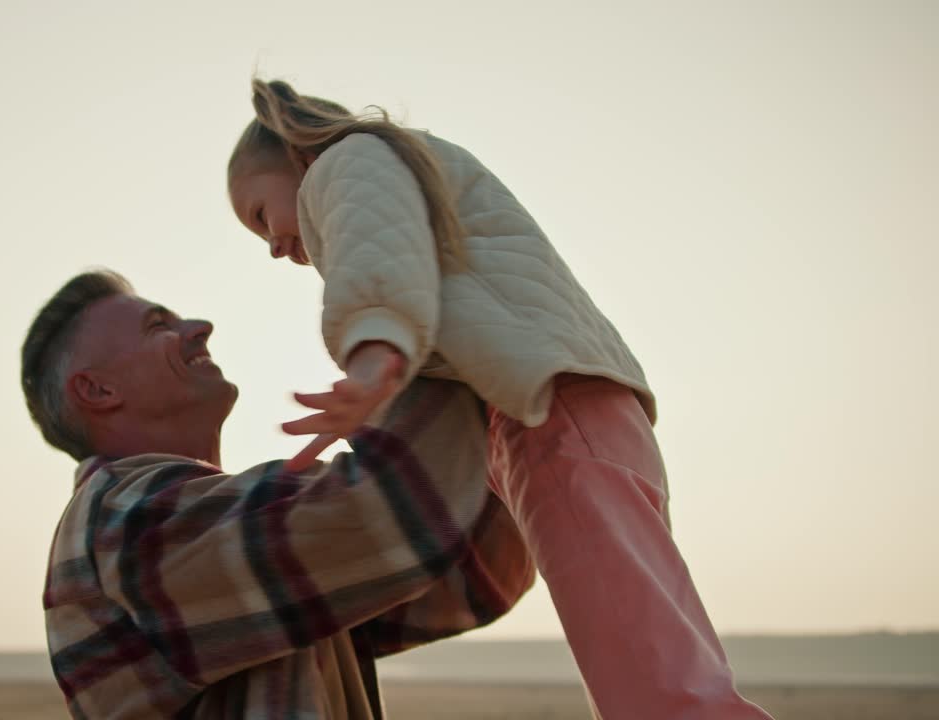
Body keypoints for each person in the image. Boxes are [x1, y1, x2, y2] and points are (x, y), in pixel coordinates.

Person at [226, 78, 772, 719]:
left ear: (295, 158)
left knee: (657, 690)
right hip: (583, 408)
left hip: (551, 416)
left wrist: (371, 362)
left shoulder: (345, 164)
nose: (270, 245)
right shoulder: (407, 166)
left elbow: (381, 262)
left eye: (260, 214)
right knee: (657, 657)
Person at [20, 269, 533, 719]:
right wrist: (406, 334)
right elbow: (395, 515)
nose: (199, 328)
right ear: (98, 391)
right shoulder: (122, 518)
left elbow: (479, 575)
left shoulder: (223, 533)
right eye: (159, 326)